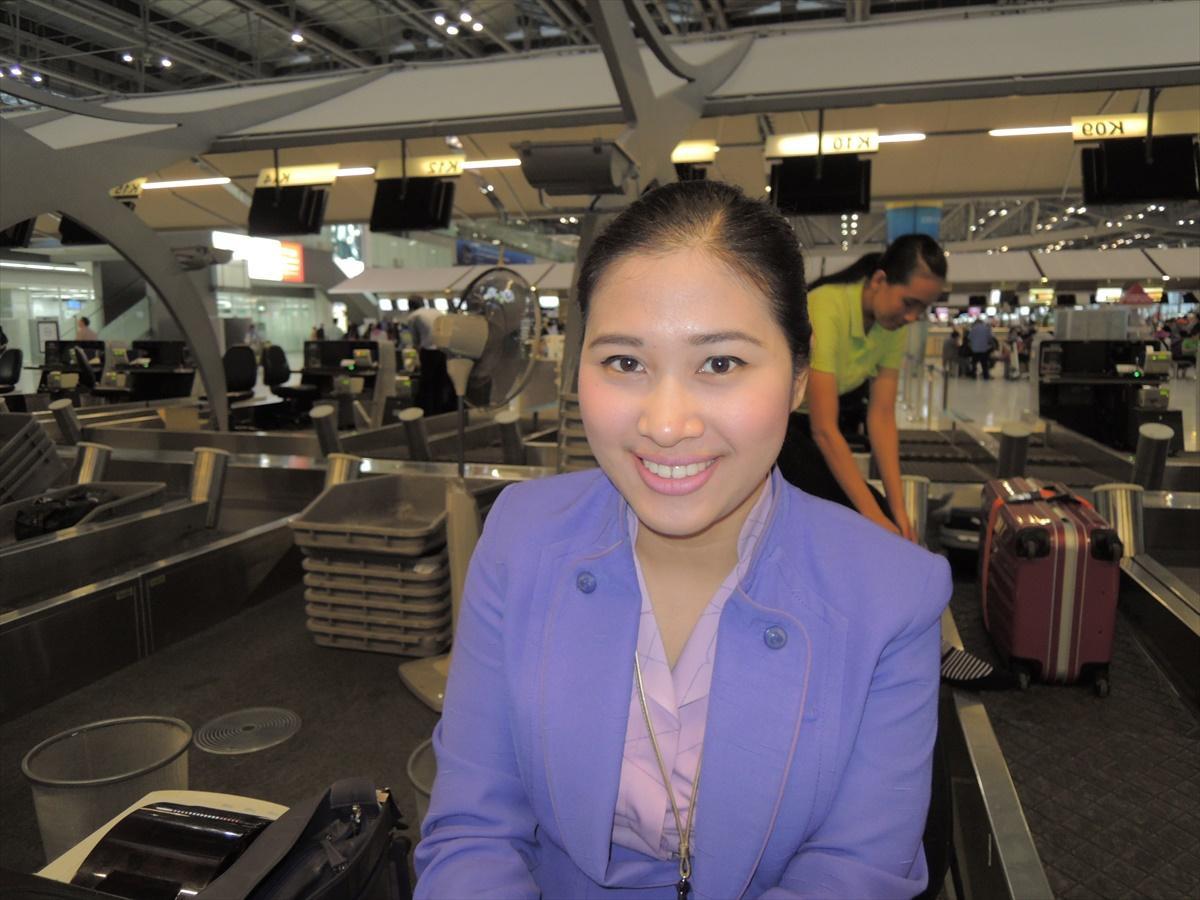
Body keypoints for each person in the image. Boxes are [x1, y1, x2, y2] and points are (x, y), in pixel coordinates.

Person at [415, 181, 951, 899]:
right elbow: (474, 830)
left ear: (799, 376)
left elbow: (854, 870)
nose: (666, 424)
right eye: (625, 362)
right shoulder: (520, 537)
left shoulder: (893, 594)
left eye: (721, 363)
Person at [776, 234, 946, 541]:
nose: (912, 317)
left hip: (812, 427)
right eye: (909, 303)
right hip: (777, 427)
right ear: (880, 280)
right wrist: (873, 517)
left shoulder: (892, 325)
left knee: (879, 512)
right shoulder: (826, 307)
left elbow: (882, 418)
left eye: (921, 309)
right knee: (853, 518)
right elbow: (824, 430)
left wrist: (898, 512)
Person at [407, 297, 455, 415]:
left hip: (429, 351)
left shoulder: (414, 316)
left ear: (410, 306)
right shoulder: (436, 311)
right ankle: (441, 410)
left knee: (427, 383)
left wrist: (416, 359)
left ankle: (427, 412)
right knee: (441, 381)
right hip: (443, 349)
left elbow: (415, 341)